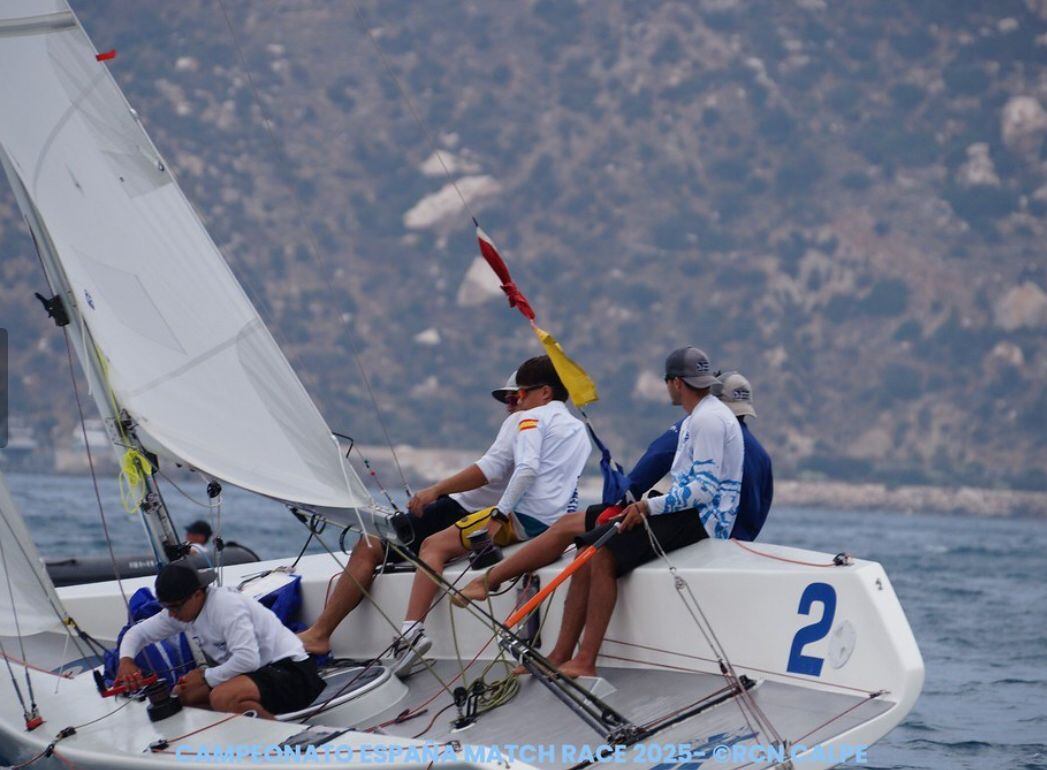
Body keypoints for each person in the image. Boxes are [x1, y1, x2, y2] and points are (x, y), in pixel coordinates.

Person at [296, 370, 523, 656]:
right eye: (507, 399)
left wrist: (434, 491)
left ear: (542, 393)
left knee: (369, 546)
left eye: (515, 397)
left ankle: (319, 634)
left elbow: (489, 470)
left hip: (462, 510)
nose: (509, 405)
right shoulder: (560, 429)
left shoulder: (521, 422)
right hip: (496, 515)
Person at [391, 355, 590, 676]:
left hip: (524, 517)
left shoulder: (532, 419)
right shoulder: (579, 429)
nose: (517, 400)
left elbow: (526, 470)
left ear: (544, 393)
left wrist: (499, 513)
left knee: (432, 546)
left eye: (522, 393)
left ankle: (410, 635)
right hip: (553, 520)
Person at [555, 346, 743, 678]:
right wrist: (649, 507)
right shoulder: (698, 416)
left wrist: (648, 506)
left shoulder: (709, 420)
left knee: (603, 555)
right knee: (587, 546)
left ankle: (585, 661)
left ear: (674, 383)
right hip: (685, 512)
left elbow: (704, 490)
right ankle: (560, 653)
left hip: (704, 520)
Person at [115, 561, 324, 719]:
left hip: (294, 673)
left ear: (197, 595)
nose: (171, 615)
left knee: (222, 696)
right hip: (258, 673)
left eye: (175, 607)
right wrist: (126, 661)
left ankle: (281, 751)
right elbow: (137, 634)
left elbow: (247, 659)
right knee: (183, 696)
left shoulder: (225, 606)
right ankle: (238, 737)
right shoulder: (181, 611)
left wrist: (206, 676)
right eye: (166, 607)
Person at [713, 371, 773, 541]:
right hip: (742, 548)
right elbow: (761, 508)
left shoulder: (707, 438)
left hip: (707, 545)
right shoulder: (763, 457)